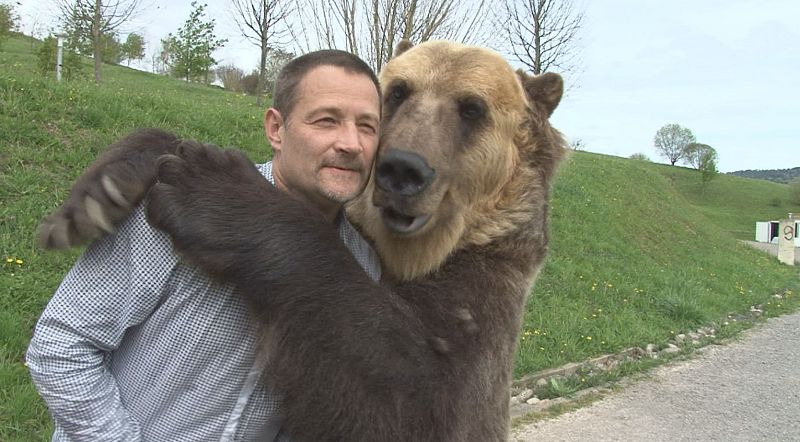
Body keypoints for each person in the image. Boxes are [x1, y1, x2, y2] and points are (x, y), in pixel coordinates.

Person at [26, 50, 382, 441]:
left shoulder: (361, 267)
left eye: (367, 127)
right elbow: (62, 346)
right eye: (327, 120)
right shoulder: (185, 203)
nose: (351, 143)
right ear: (275, 129)